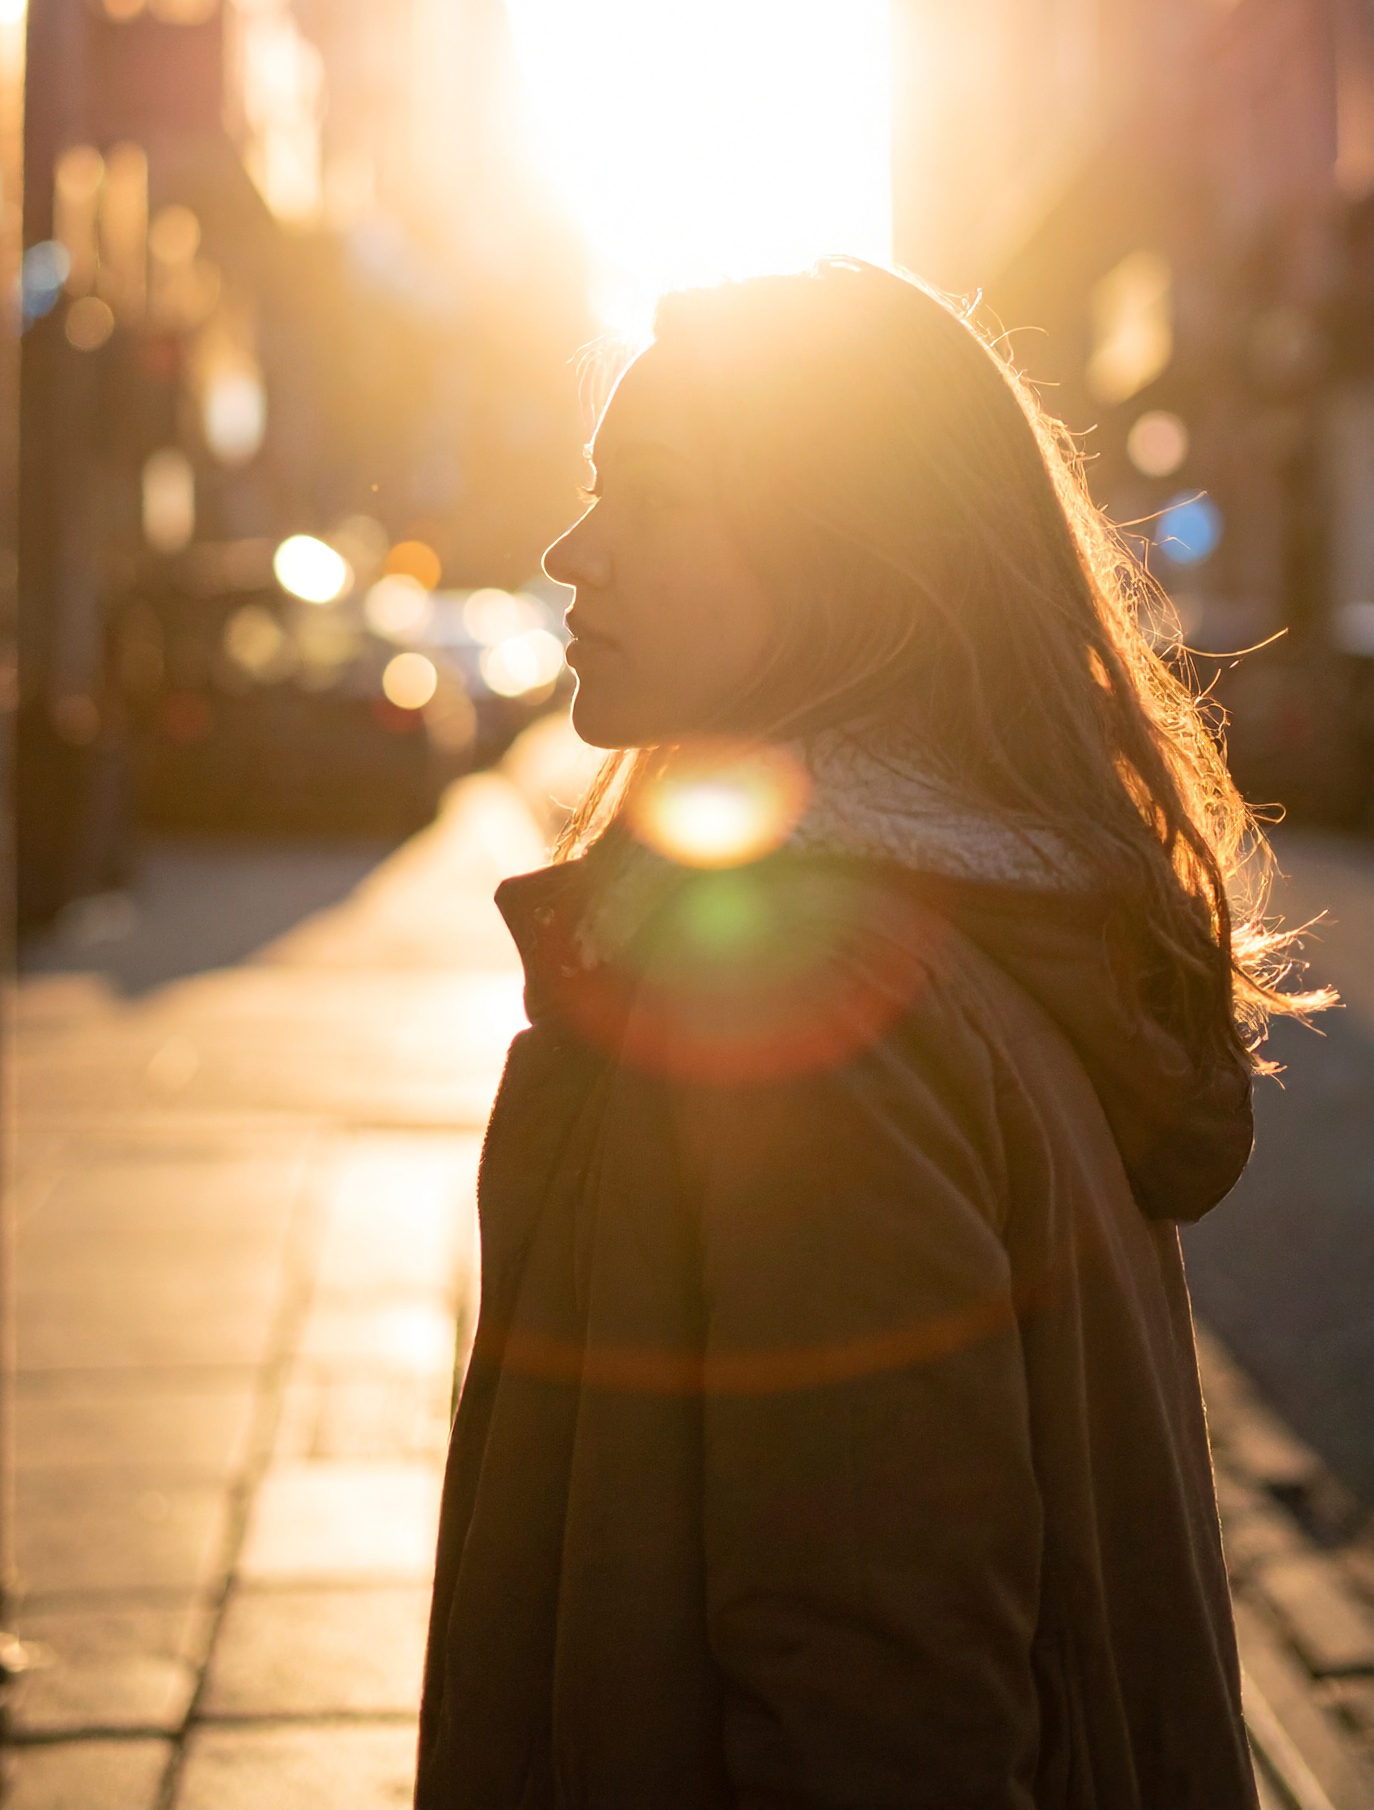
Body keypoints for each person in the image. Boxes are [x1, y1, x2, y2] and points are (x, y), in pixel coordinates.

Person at [415, 260, 1313, 1810]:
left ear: (843, 556)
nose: (574, 550)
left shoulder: (817, 1009)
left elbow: (884, 1687)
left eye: (652, 494)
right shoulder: (955, 931)